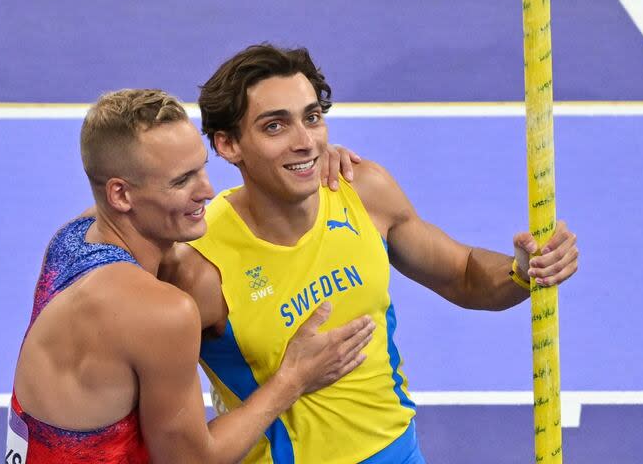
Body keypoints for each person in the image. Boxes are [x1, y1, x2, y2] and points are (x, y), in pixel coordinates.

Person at [158, 44, 579, 463]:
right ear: (228, 145)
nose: (306, 142)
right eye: (275, 127)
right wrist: (291, 381)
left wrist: (523, 271)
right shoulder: (196, 268)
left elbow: (463, 275)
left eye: (312, 118)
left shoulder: (363, 192)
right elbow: (182, 453)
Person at [5, 88, 376, 464]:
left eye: (201, 167)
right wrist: (293, 378)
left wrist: (306, 163)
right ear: (120, 195)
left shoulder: (73, 238)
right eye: (182, 181)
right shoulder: (161, 312)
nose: (207, 190)